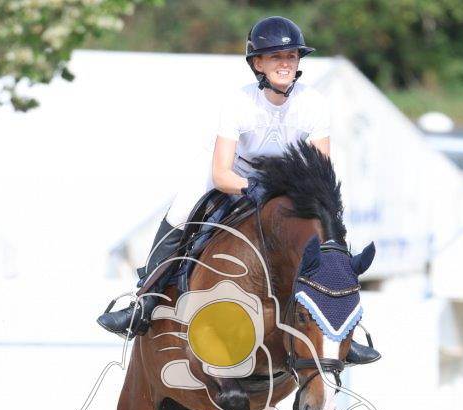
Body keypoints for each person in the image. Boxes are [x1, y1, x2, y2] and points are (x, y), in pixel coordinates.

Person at [98, 16, 331, 339]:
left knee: (330, 224)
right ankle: (144, 303)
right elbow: (221, 174)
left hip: (287, 182)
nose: (285, 63)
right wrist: (253, 187)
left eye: (291, 56)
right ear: (258, 64)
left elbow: (320, 170)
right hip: (236, 173)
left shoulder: (314, 103)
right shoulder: (239, 102)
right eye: (276, 57)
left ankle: (339, 322)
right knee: (181, 212)